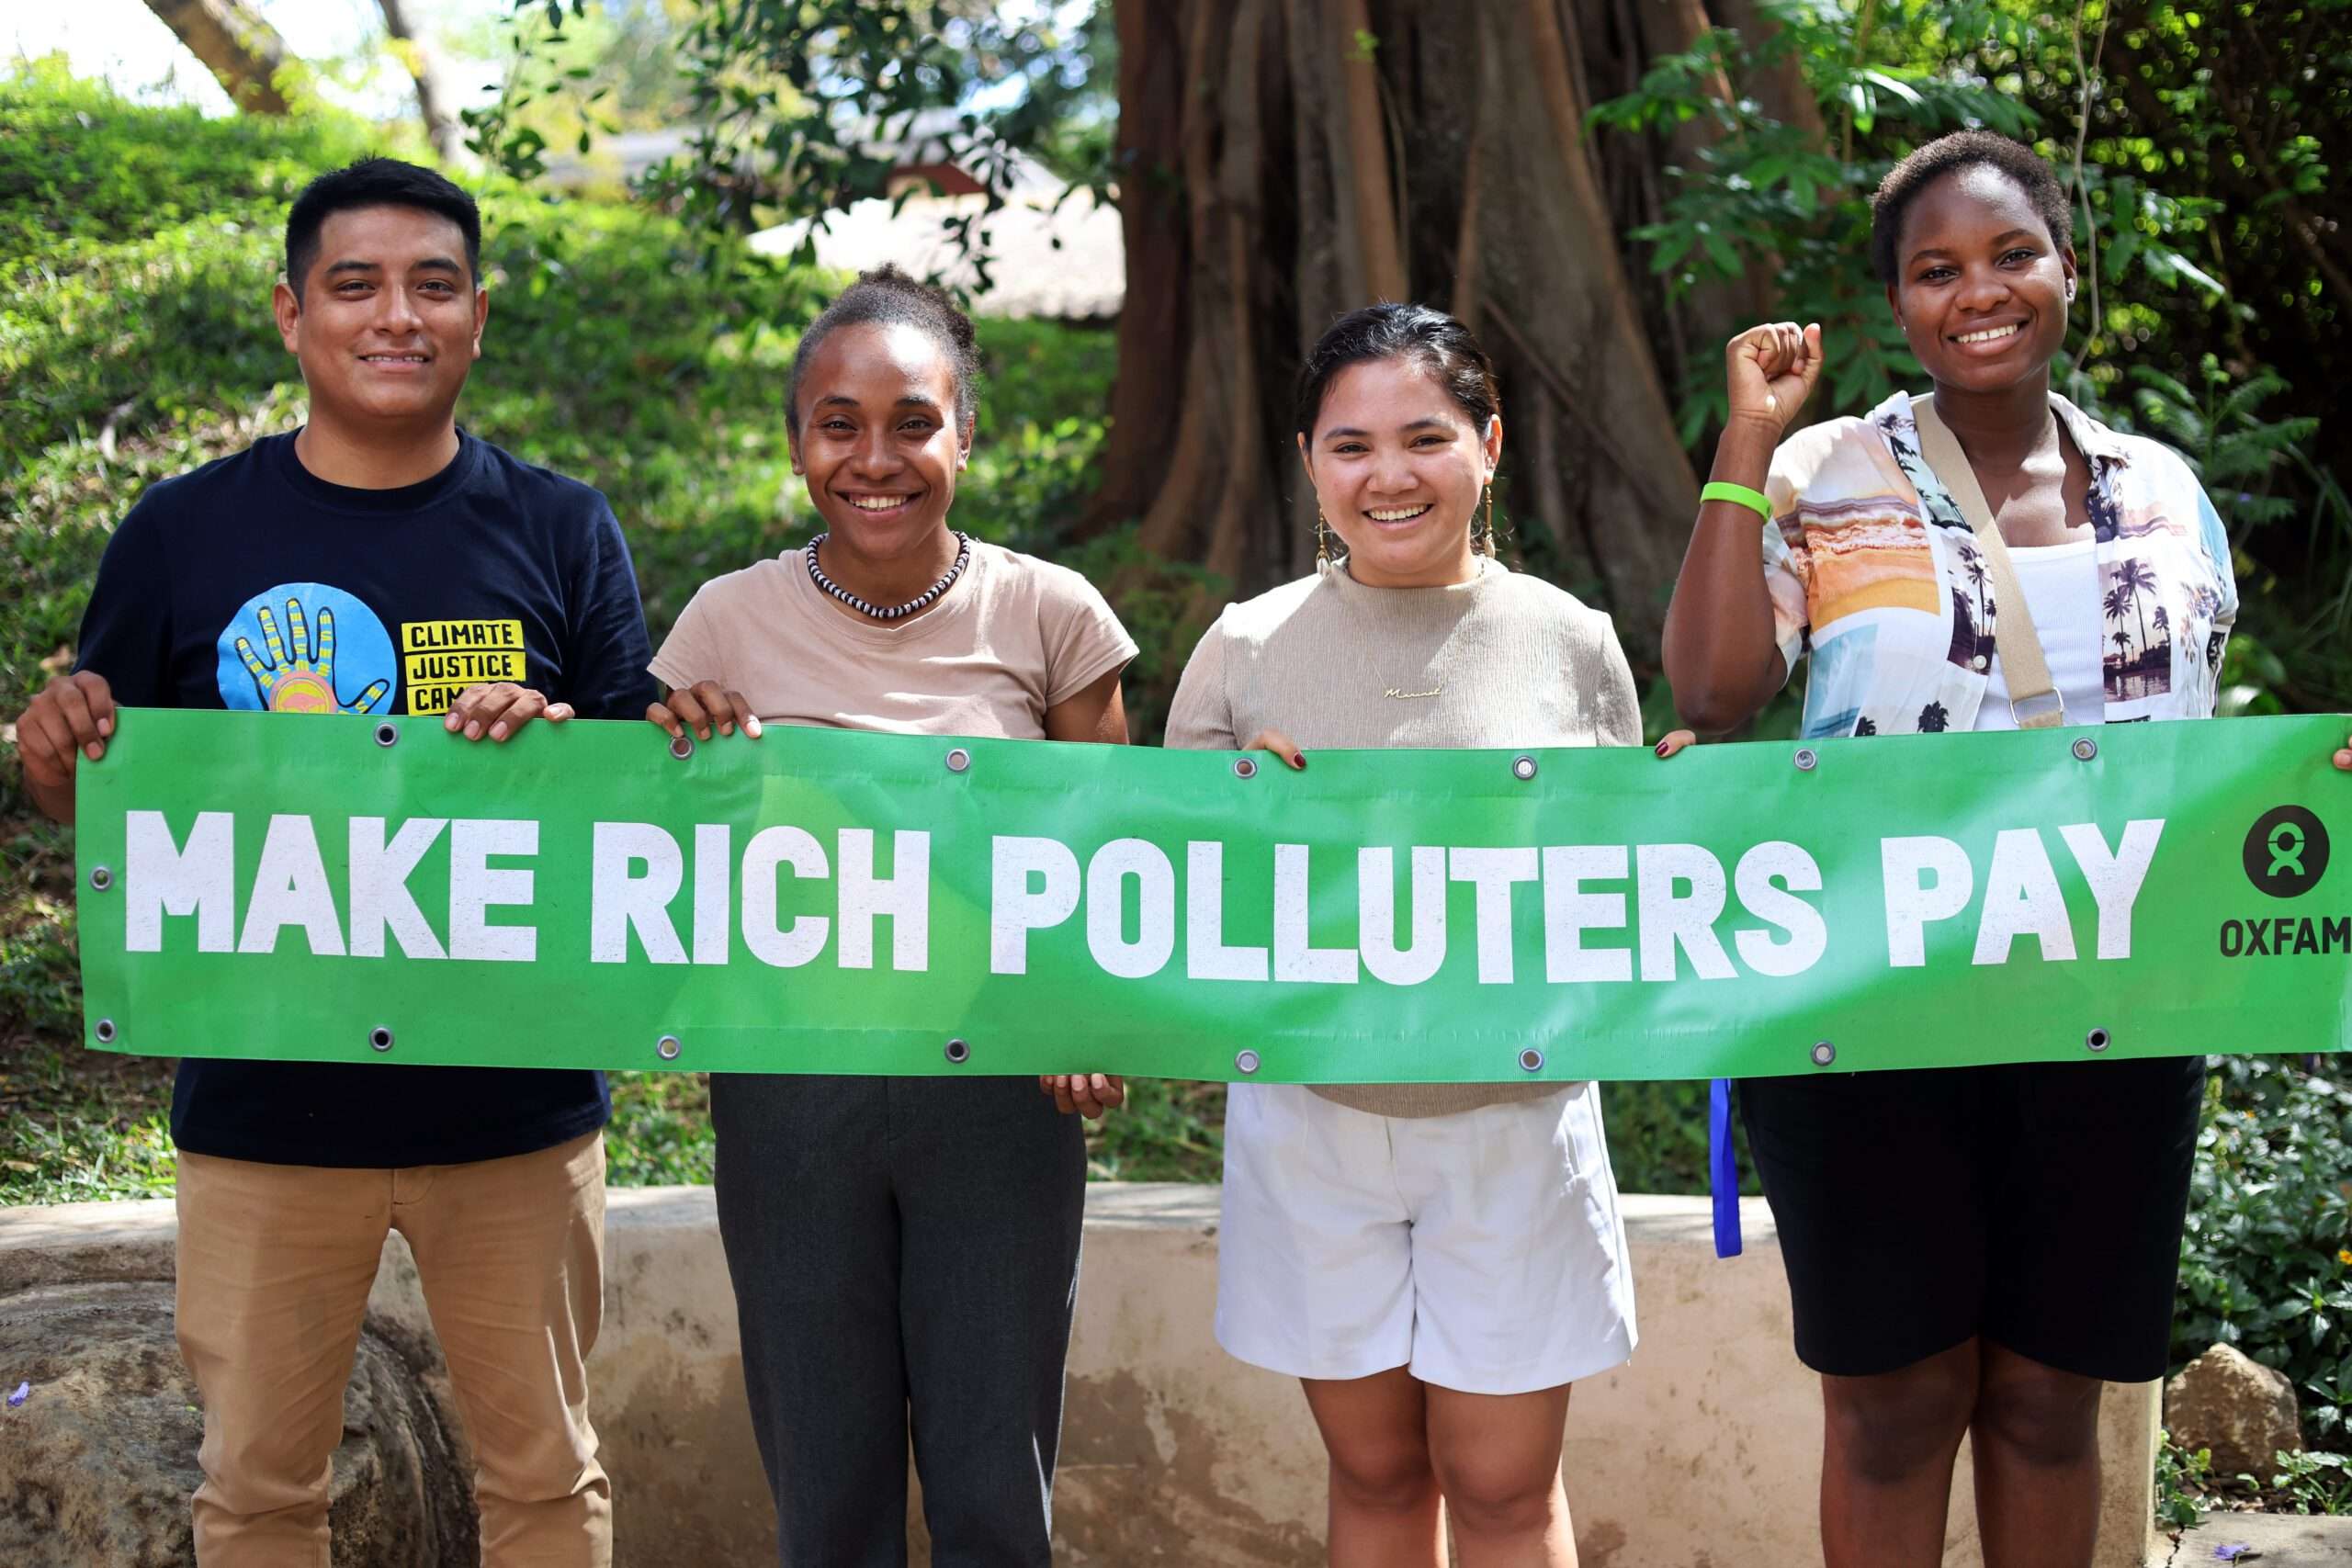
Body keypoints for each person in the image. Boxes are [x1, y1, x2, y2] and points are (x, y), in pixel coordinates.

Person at [1658, 130, 2330, 1568]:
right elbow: (1714, 696)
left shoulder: (2162, 492)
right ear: (1899, 303)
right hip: (1867, 999)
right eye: (1936, 269)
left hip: (2109, 1001)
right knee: (1895, 1406)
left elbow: (2208, 746)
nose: (1981, 290)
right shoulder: (1827, 475)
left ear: (2066, 273)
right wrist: (1744, 443)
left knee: (2045, 1400)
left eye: (2011, 254)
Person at [11, 158, 652, 1563]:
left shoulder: (561, 528)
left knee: (548, 1480)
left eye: (433, 285)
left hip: (517, 1108)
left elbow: (637, 813)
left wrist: (552, 746)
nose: (395, 316)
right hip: (264, 1110)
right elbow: (100, 792)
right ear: (293, 314)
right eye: (355, 285)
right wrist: (56, 753)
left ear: (479, 316)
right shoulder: (183, 533)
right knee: (255, 1493)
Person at [642, 265, 1136, 1567]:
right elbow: (656, 865)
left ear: (966, 433)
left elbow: (1107, 858)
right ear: (799, 440)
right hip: (791, 1093)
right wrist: (682, 761)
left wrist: (1083, 1011)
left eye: (914, 420)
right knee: (828, 1481)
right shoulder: (722, 625)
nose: (877, 457)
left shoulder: (1053, 616)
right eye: (838, 423)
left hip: (999, 1098)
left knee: (991, 1484)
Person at [1163, 302, 1639, 1568]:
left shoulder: (1572, 642)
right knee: (1375, 1475)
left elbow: (1624, 876)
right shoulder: (1241, 647)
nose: (1387, 477)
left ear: (1490, 443)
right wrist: (1229, 815)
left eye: (1424, 438)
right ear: (1310, 463)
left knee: (1499, 1485)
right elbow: (1168, 895)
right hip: (1312, 1118)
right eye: (1349, 446)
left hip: (1514, 1117)